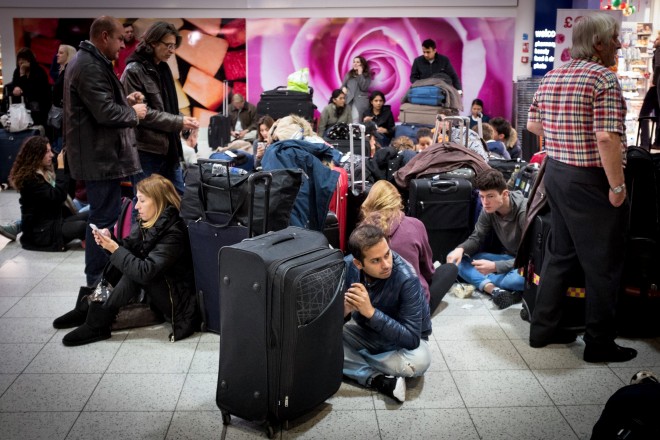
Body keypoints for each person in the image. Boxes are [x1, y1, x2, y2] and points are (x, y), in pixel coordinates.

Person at [527, 13, 637, 363]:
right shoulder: (603, 79)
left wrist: (561, 139)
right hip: (591, 179)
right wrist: (617, 186)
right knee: (603, 263)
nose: (620, 44)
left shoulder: (552, 75)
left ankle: (543, 329)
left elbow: (532, 123)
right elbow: (606, 136)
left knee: (561, 253)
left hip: (556, 172)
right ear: (599, 43)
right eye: (615, 38)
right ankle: (599, 343)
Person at [57, 174, 198, 346]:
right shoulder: (149, 221)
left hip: (178, 303)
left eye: (142, 200)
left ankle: (97, 322)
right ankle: (88, 310)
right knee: (125, 258)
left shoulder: (173, 232)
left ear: (158, 201)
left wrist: (115, 249)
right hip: (159, 287)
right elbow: (129, 250)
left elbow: (145, 272)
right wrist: (110, 242)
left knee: (133, 268)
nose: (136, 206)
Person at [64, 15, 148, 287]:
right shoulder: (89, 65)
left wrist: (124, 98)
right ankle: (97, 282)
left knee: (103, 217)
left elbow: (99, 103)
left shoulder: (89, 62)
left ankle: (101, 280)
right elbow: (104, 112)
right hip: (100, 159)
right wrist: (132, 112)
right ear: (104, 37)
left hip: (100, 157)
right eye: (120, 40)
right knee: (102, 220)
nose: (123, 46)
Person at [342, 224, 432, 403]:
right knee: (322, 339)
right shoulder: (348, 267)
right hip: (368, 334)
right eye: (376, 260)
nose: (386, 264)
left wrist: (371, 313)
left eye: (387, 254)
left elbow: (412, 339)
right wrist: (343, 311)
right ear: (358, 263)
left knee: (420, 362)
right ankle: (378, 379)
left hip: (404, 345)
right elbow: (331, 323)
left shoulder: (407, 278)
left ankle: (354, 362)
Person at [121, 21, 199, 195]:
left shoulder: (163, 69)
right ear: (153, 42)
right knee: (144, 203)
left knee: (179, 199)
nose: (172, 51)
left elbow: (166, 108)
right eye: (168, 45)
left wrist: (186, 122)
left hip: (168, 148)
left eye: (174, 46)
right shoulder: (133, 70)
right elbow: (142, 113)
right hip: (145, 150)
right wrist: (179, 121)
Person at [446, 169, 526, 309]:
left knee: (516, 280)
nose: (485, 202)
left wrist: (495, 267)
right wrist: (460, 249)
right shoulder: (489, 209)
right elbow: (477, 237)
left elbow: (531, 257)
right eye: (481, 197)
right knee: (455, 259)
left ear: (505, 193)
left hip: (526, 263)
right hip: (508, 258)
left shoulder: (523, 212)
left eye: (490, 196)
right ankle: (495, 290)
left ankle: (491, 284)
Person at [7, 136, 88, 251]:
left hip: (54, 221)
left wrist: (66, 165)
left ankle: (89, 236)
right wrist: (61, 168)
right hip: (41, 233)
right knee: (82, 226)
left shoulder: (45, 171)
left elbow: (66, 191)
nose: (51, 155)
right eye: (47, 152)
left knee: (91, 215)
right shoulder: (30, 179)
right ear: (36, 155)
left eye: (50, 151)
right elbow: (58, 196)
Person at [6, 47, 51, 126]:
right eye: (19, 59)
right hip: (22, 106)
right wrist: (16, 88)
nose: (21, 62)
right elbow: (15, 84)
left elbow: (31, 90)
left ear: (30, 60)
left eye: (23, 59)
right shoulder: (17, 71)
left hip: (39, 106)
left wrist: (23, 74)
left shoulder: (39, 71)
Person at [50, 44, 77, 153]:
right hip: (60, 119)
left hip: (66, 119)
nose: (57, 55)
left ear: (68, 55)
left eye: (61, 53)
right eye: (58, 52)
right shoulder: (63, 72)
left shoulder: (69, 73)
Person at [638, 34, 660, 149]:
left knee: (644, 114)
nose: (654, 41)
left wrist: (655, 82)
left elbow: (658, 67)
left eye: (657, 38)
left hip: (656, 87)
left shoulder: (659, 50)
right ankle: (657, 142)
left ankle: (645, 143)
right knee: (658, 114)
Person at [342, 56, 371, 123]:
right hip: (349, 101)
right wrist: (343, 88)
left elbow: (364, 87)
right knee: (348, 121)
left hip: (360, 102)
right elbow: (343, 85)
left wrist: (360, 74)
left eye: (357, 62)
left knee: (357, 121)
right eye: (354, 62)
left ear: (362, 64)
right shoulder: (349, 74)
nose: (355, 63)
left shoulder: (367, 75)